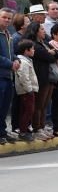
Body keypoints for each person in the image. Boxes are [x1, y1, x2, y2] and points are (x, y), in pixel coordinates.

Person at [23, 21, 56, 141]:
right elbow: (50, 57)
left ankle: (42, 126)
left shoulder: (44, 43)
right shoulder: (34, 45)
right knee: (39, 104)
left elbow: (56, 52)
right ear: (36, 31)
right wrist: (51, 53)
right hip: (40, 77)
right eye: (42, 29)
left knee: (45, 104)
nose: (45, 31)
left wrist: (53, 52)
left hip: (48, 77)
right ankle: (37, 128)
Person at [0, 8, 20, 144]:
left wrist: (16, 59)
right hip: (1, 75)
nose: (7, 20)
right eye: (4, 17)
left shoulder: (8, 34)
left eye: (9, 18)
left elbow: (10, 52)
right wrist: (10, 64)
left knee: (4, 107)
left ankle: (2, 133)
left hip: (8, 76)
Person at [14, 39, 37, 142]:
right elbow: (24, 77)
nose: (34, 50)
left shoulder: (27, 60)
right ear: (26, 51)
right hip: (26, 91)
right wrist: (29, 90)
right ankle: (23, 132)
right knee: (29, 110)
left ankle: (24, 130)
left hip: (27, 90)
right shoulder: (23, 62)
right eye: (32, 49)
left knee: (25, 110)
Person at [9, 13, 28, 135]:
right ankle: (15, 125)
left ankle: (23, 125)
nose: (29, 23)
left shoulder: (23, 37)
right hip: (18, 73)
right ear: (21, 24)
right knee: (17, 100)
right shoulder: (16, 38)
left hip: (23, 71)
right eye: (27, 21)